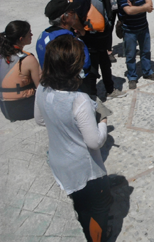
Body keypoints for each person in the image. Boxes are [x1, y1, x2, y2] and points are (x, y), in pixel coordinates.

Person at [34, 35, 113, 242]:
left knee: (81, 208)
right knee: (99, 209)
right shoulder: (80, 100)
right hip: (84, 172)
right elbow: (95, 142)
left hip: (60, 165)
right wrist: (102, 122)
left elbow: (39, 120)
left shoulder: (42, 87)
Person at [72, 0, 125, 100]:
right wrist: (83, 31)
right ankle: (92, 97)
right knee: (92, 70)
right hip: (90, 42)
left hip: (102, 39)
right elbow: (74, 18)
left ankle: (110, 89)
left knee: (106, 66)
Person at [116, 0, 154, 89]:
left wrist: (135, 8)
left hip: (143, 26)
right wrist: (142, 8)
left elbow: (149, 5)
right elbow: (128, 11)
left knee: (146, 51)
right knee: (130, 55)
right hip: (129, 30)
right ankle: (132, 76)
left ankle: (147, 72)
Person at [36, 0, 91, 77]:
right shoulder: (69, 41)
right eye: (72, 11)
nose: (75, 14)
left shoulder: (43, 35)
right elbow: (84, 64)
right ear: (64, 18)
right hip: (71, 84)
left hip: (50, 81)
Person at [0, 21, 40, 121]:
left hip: (5, 108)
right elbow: (41, 87)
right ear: (21, 39)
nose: (32, 35)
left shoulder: (2, 55)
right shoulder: (28, 59)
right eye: (29, 33)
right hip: (24, 109)